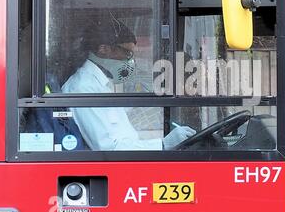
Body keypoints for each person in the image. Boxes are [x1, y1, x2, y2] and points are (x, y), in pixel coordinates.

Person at [62, 13, 196, 151]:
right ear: (103, 50)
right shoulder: (83, 88)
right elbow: (108, 148)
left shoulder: (100, 84)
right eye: (127, 53)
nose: (130, 61)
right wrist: (163, 144)